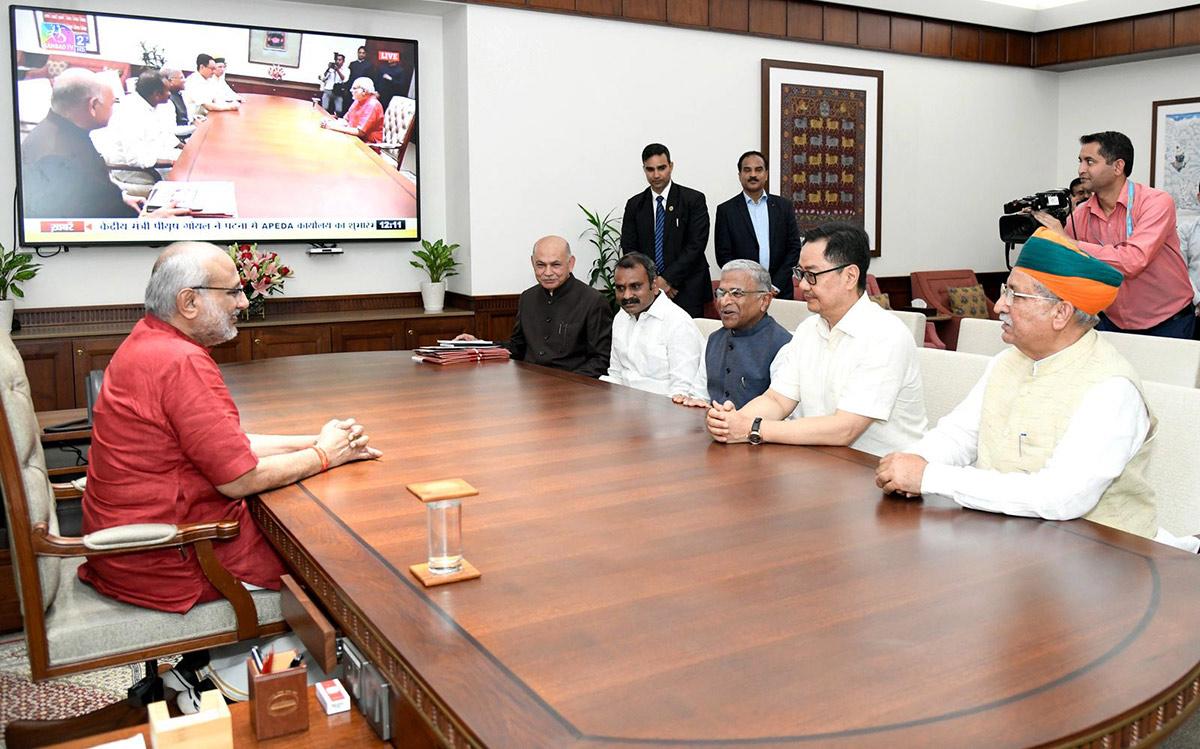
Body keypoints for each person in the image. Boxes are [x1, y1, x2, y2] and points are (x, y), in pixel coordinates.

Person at [78, 241, 383, 617]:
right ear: (189, 302)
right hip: (175, 555)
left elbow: (224, 446)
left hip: (128, 547)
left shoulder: (147, 340)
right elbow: (238, 478)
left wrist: (320, 442)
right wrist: (324, 456)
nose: (243, 302)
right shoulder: (180, 361)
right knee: (343, 562)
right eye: (233, 292)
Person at [875, 228, 1157, 539]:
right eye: (1004, 291)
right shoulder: (1007, 361)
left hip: (1104, 558)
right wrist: (914, 461)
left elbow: (1060, 497)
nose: (998, 306)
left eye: (1015, 295)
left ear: (1061, 312)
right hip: (1005, 535)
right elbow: (958, 436)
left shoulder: (1112, 388)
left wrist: (929, 477)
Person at [706, 223, 925, 456]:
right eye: (800, 274)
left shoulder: (885, 335)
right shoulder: (808, 330)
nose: (801, 286)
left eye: (812, 275)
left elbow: (845, 429)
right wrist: (733, 421)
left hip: (880, 471)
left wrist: (753, 428)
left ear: (850, 276)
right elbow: (777, 400)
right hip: (819, 461)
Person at [1034, 131, 1194, 338]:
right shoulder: (1080, 214)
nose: (1081, 169)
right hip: (1111, 323)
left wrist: (1068, 242)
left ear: (1118, 166)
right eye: (1080, 161)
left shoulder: (1156, 202)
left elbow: (1133, 261)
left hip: (1169, 323)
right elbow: (1066, 261)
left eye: (1090, 161)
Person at [20, 69, 187, 219]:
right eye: (113, 103)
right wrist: (148, 221)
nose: (115, 109)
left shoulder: (61, 130)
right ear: (93, 106)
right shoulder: (58, 158)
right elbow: (79, 228)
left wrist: (121, 198)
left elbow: (90, 196)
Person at [454, 236, 612, 377]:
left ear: (570, 263)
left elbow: (600, 360)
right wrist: (479, 344)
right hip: (530, 385)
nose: (548, 272)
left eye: (556, 265)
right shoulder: (527, 297)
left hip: (571, 390)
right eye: (541, 265)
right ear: (532, 263)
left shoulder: (593, 300)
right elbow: (517, 347)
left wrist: (567, 383)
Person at [675, 260, 791, 409]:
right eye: (721, 293)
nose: (724, 302)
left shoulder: (783, 345)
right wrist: (695, 403)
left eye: (737, 293)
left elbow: (784, 412)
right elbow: (700, 394)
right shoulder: (714, 339)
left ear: (764, 300)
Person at [620, 143, 711, 318]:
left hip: (688, 288)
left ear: (671, 166)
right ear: (644, 170)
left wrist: (667, 279)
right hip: (649, 290)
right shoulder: (635, 205)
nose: (656, 175)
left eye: (661, 168)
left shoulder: (693, 200)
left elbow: (696, 245)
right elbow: (630, 249)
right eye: (650, 169)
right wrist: (654, 282)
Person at [602, 253, 706, 398]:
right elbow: (616, 374)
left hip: (664, 411)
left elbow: (682, 390)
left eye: (635, 286)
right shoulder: (621, 317)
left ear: (655, 285)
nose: (626, 296)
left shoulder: (677, 322)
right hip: (624, 406)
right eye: (620, 288)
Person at [714, 151, 803, 300]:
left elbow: (794, 248)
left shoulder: (783, 207)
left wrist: (775, 285)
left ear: (766, 174)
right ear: (740, 175)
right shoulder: (726, 211)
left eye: (758, 169)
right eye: (747, 170)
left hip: (780, 292)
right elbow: (724, 255)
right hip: (742, 293)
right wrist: (748, 286)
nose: (753, 175)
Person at [95, 71, 182, 196]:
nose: (170, 94)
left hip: (154, 159)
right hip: (134, 172)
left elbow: (164, 136)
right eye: (167, 91)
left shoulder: (151, 105)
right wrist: (172, 162)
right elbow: (136, 159)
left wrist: (185, 150)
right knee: (191, 180)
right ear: (156, 94)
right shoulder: (132, 114)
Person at [320, 77, 383, 142]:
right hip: (353, 138)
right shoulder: (358, 100)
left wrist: (331, 127)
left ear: (364, 91)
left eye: (354, 88)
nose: (351, 90)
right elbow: (346, 120)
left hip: (367, 145)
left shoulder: (372, 104)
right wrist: (329, 122)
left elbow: (360, 132)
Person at [183, 53, 239, 118]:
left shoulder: (209, 80)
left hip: (206, 115)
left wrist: (231, 104)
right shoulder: (193, 81)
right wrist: (230, 107)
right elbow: (208, 106)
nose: (213, 72)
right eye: (212, 69)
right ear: (202, 67)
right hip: (193, 118)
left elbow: (217, 99)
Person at [159, 67, 193, 137]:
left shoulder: (179, 94)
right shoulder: (166, 101)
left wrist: (195, 120)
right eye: (181, 78)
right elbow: (172, 130)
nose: (184, 80)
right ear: (170, 81)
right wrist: (195, 127)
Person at [347, 46, 375, 115]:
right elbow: (349, 77)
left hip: (362, 91)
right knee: (349, 107)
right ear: (357, 53)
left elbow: (369, 78)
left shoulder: (369, 65)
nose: (361, 54)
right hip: (352, 89)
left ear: (365, 54)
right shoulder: (352, 64)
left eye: (363, 53)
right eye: (360, 53)